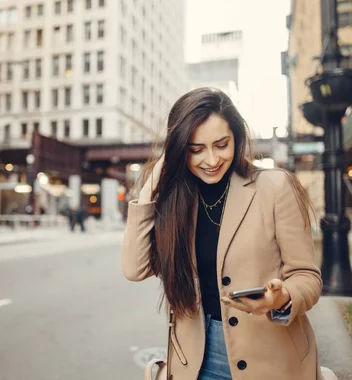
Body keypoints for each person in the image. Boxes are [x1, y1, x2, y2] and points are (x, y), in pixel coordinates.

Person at [121, 88, 322, 379]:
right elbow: (134, 268)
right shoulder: (175, 202)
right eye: (196, 149)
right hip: (194, 361)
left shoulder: (275, 187)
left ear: (236, 139)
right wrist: (149, 190)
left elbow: (307, 277)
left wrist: (281, 298)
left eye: (221, 144)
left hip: (272, 358)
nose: (212, 160)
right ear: (178, 151)